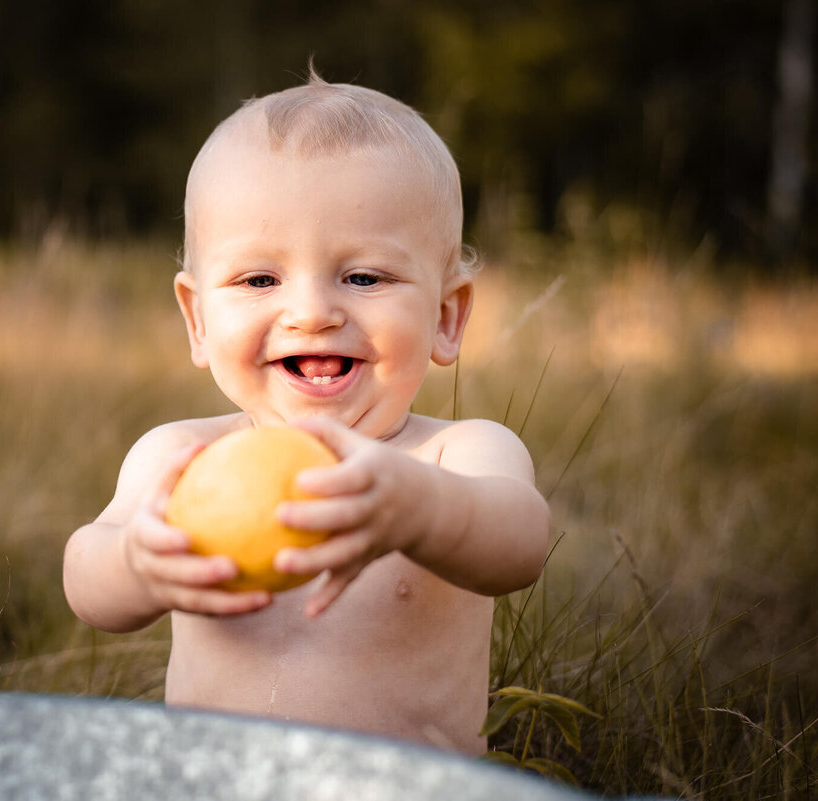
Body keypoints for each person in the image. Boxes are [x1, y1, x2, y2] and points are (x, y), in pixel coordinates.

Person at [62, 70, 550, 755]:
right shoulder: (180, 459)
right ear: (198, 318)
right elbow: (86, 578)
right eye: (259, 279)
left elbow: (522, 544)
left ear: (445, 317)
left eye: (363, 277)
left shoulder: (454, 457)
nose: (314, 312)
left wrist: (421, 507)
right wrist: (137, 565)